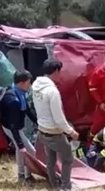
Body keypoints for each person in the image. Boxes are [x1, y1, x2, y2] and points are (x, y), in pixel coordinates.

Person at [32, 58, 79, 191]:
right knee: (68, 158)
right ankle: (66, 186)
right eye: (60, 71)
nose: (61, 74)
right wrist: (71, 132)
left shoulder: (36, 85)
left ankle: (53, 182)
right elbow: (58, 119)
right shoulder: (52, 91)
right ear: (56, 71)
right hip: (54, 133)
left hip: (42, 130)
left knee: (50, 159)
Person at [0, 71, 37, 184]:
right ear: (21, 83)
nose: (30, 85)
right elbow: (13, 126)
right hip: (11, 127)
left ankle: (22, 175)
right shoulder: (13, 101)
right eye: (28, 83)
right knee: (29, 150)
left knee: (21, 148)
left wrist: (38, 122)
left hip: (14, 125)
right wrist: (21, 145)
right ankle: (26, 176)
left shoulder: (19, 91)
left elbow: (26, 110)